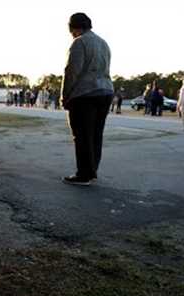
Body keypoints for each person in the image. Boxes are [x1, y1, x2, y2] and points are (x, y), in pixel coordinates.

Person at [60, 13, 114, 186]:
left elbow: (72, 71)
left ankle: (83, 173)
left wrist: (65, 95)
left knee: (82, 135)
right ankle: (91, 170)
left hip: (85, 94)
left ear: (73, 27)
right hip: (105, 92)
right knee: (96, 134)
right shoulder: (103, 43)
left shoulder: (79, 42)